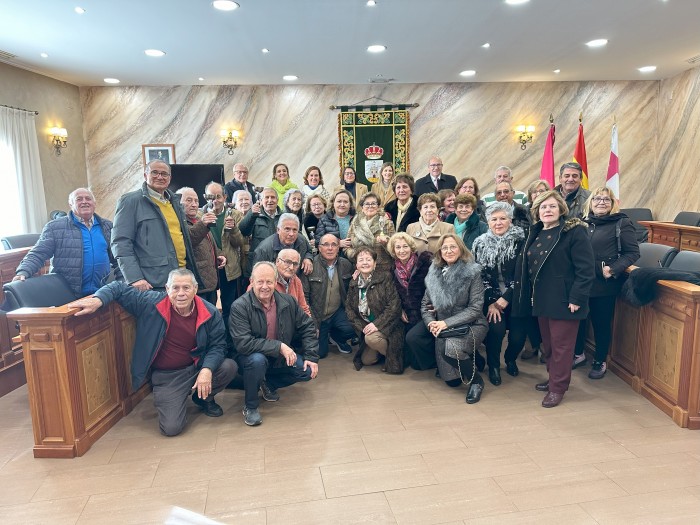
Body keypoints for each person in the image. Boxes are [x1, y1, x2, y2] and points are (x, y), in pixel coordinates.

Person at [68, 269, 238, 436]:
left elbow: (218, 346)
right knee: (171, 428)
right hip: (168, 375)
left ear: (195, 289)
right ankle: (176, 398)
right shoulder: (150, 303)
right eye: (175, 288)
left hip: (196, 366)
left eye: (186, 288)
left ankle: (203, 399)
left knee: (228, 367)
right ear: (167, 289)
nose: (181, 293)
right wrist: (98, 299)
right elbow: (117, 288)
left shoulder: (210, 312)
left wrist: (206, 370)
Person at [516, 190, 594, 408]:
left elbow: (586, 270)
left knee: (562, 348)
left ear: (561, 209)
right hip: (541, 299)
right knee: (548, 346)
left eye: (551, 206)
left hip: (565, 300)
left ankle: (558, 388)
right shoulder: (536, 231)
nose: (547, 210)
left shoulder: (574, 232)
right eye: (543, 207)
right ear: (536, 211)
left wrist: (577, 297)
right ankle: (553, 379)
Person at [230, 261, 319, 426]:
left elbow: (307, 326)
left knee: (306, 371)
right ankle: (250, 406)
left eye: (269, 282)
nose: (265, 286)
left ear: (275, 282)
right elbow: (243, 343)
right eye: (260, 282)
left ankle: (267, 382)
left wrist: (311, 356)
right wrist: (279, 346)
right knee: (257, 361)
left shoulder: (288, 302)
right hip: (249, 358)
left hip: (277, 357)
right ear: (252, 282)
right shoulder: (240, 307)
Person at [578, 187, 640, 379]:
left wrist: (612, 269)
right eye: (597, 198)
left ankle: (599, 360)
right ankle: (578, 354)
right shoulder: (582, 222)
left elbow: (632, 253)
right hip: (581, 281)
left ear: (613, 203)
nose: (601, 202)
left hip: (603, 283)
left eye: (606, 199)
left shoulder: (621, 222)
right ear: (590, 202)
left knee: (601, 323)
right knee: (578, 321)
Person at [111, 160, 201, 291]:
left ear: (169, 178)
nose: (160, 177)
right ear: (145, 175)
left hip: (181, 276)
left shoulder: (174, 202)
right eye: (155, 172)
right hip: (152, 282)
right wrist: (134, 278)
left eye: (164, 174)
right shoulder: (130, 201)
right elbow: (120, 242)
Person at [421, 234, 488, 403]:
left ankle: (477, 382)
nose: (449, 251)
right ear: (440, 252)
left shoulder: (472, 272)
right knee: (453, 382)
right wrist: (431, 324)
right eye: (445, 248)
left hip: (471, 324)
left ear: (461, 249)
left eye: (453, 247)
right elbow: (425, 306)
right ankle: (472, 356)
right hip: (443, 327)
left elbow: (475, 309)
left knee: (452, 349)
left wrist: (444, 323)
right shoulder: (434, 273)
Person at [14, 188, 116, 298]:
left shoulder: (107, 226)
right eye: (79, 199)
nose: (84, 202)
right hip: (68, 294)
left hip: (102, 292)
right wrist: (23, 271)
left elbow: (117, 256)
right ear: (71, 204)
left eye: (88, 198)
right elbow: (39, 253)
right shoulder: (54, 227)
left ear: (94, 203)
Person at [471, 202, 527, 385]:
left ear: (510, 220)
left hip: (517, 296)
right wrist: (492, 301)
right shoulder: (480, 243)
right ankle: (494, 365)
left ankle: (510, 359)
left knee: (518, 337)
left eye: (503, 218)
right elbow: (480, 276)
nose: (498, 222)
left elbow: (523, 274)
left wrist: (506, 297)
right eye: (494, 219)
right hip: (492, 299)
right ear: (488, 222)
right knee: (496, 330)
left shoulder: (522, 241)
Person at [345, 247, 404, 373]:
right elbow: (349, 309)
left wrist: (376, 325)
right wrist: (364, 327)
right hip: (368, 327)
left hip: (389, 325)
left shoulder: (385, 277)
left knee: (371, 339)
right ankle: (385, 353)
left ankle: (395, 356)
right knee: (367, 360)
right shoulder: (353, 282)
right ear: (356, 265)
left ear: (375, 263)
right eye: (361, 260)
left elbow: (394, 305)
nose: (365, 263)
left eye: (368, 259)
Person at [301, 233, 356, 358]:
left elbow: (352, 291)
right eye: (326, 245)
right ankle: (324, 335)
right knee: (320, 353)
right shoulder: (310, 266)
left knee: (355, 326)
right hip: (318, 316)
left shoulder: (346, 265)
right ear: (319, 248)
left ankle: (337, 337)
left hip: (336, 312)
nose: (330, 248)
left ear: (338, 248)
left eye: (334, 244)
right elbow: (304, 297)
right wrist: (313, 323)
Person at [201, 182, 245, 323]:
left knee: (229, 308)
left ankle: (229, 341)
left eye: (218, 196)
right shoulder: (199, 215)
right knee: (208, 309)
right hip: (208, 270)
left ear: (225, 197)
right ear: (205, 197)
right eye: (210, 196)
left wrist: (233, 229)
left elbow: (239, 243)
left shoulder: (235, 214)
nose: (214, 200)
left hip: (230, 269)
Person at [175, 187, 226, 305]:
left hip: (210, 282)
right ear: (178, 202)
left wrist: (219, 255)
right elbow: (190, 240)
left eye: (196, 201)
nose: (194, 204)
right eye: (189, 200)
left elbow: (209, 243)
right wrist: (203, 224)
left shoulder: (198, 219)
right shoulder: (179, 223)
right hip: (197, 284)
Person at [519, 179, 550, 363]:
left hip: (547, 271)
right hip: (527, 267)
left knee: (544, 310)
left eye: (543, 190)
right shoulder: (523, 215)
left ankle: (546, 348)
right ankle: (531, 345)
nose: (539, 194)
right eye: (535, 192)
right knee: (529, 310)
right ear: (530, 196)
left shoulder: (553, 215)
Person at [387, 232, 432, 330]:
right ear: (394, 250)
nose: (402, 251)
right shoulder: (392, 269)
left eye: (405, 246)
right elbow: (393, 295)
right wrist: (400, 310)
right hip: (406, 316)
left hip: (427, 313)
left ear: (411, 248)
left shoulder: (424, 262)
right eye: (398, 247)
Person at [345, 192, 395, 272]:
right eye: (367, 204)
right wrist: (354, 254)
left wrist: (386, 243)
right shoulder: (355, 223)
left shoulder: (386, 223)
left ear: (378, 206)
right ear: (362, 207)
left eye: (373, 203)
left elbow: (394, 248)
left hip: (382, 270)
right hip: (360, 269)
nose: (370, 206)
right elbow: (346, 245)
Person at [239, 187, 283, 269]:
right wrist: (251, 215)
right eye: (267, 197)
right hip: (259, 262)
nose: (270, 200)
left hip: (279, 261)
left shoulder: (284, 217)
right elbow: (243, 231)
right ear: (261, 200)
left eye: (273, 197)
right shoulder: (254, 215)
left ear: (277, 200)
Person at [315, 188, 355, 253]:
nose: (342, 204)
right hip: (332, 257)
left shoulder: (356, 218)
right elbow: (318, 242)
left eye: (345, 202)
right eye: (339, 201)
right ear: (333, 203)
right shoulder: (325, 219)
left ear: (350, 204)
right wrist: (337, 243)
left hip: (354, 255)